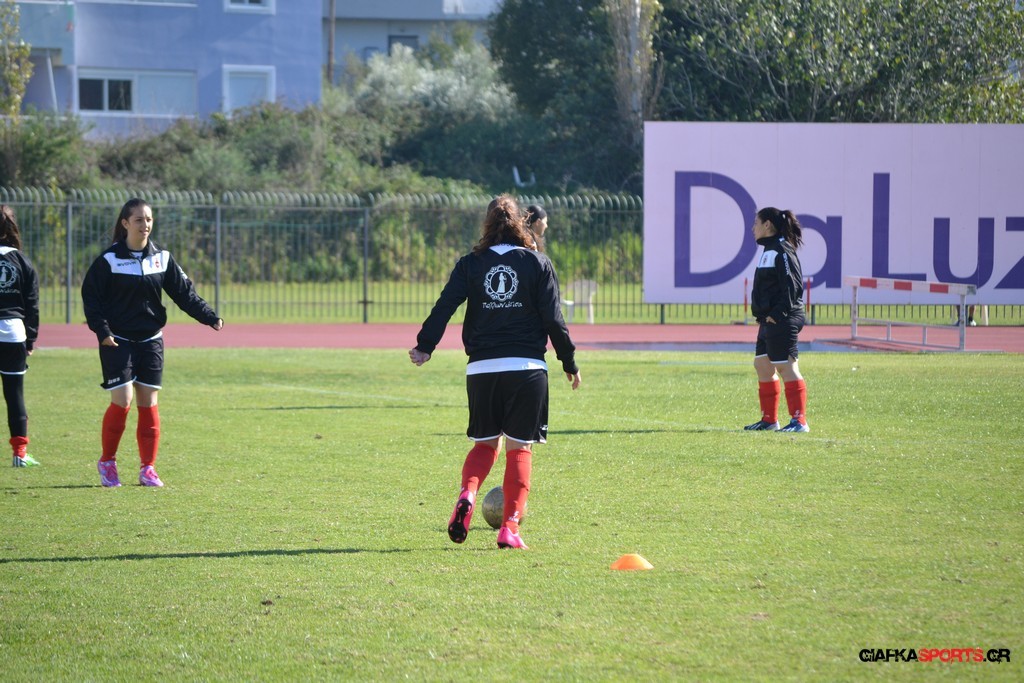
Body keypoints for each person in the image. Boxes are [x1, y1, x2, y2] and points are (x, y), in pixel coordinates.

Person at [409, 194, 581, 550]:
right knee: (520, 448)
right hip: (526, 368)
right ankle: (510, 528)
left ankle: (468, 495)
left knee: (485, 444)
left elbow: (445, 306)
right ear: (521, 222)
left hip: (482, 369)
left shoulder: (470, 264)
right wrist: (569, 361)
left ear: (487, 224)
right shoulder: (538, 262)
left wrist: (425, 345)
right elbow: (553, 318)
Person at [81, 198, 223, 487]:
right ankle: (108, 461)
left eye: (148, 219)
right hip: (117, 341)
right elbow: (91, 299)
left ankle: (148, 468)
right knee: (123, 401)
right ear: (125, 224)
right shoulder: (109, 260)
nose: (144, 225)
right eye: (138, 219)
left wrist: (209, 316)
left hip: (151, 341)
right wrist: (103, 331)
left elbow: (184, 294)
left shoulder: (162, 258)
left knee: (148, 403)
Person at [744, 207, 809, 433]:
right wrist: (764, 314)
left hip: (784, 318)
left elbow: (793, 287)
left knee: (786, 366)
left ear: (767, 225)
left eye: (756, 223)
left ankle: (799, 422)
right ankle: (769, 421)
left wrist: (777, 314)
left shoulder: (782, 250)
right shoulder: (769, 250)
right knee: (762, 365)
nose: (753, 228)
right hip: (768, 320)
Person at [0, 206, 40, 467]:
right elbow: (32, 304)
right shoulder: (22, 261)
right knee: (14, 395)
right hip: (12, 334)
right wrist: (30, 339)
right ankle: (20, 454)